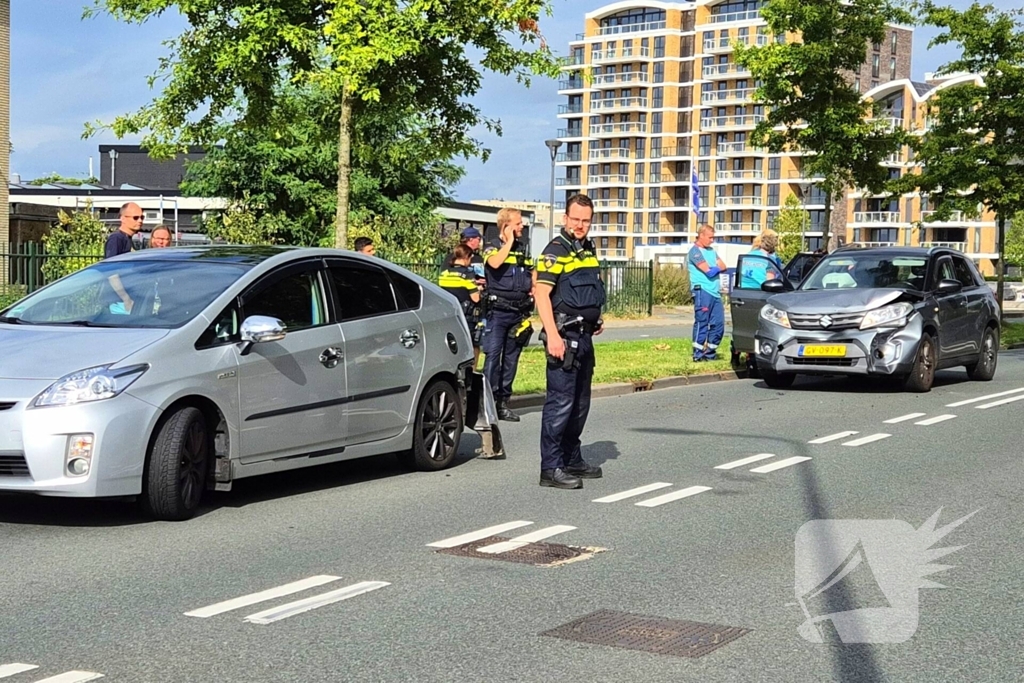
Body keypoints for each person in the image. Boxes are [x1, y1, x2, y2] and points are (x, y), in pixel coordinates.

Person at [534, 194, 606, 490]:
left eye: (585, 220)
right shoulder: (556, 250)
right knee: (560, 403)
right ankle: (551, 468)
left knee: (580, 403)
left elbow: (587, 289)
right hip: (563, 338)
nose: (580, 225)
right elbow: (541, 293)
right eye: (575, 219)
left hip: (584, 335)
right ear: (565, 218)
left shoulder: (587, 249)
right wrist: (552, 335)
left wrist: (595, 318)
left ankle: (571, 458)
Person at [482, 208, 534, 422]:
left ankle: (503, 403)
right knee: (493, 358)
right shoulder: (491, 246)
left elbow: (532, 273)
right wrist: (509, 242)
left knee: (511, 360)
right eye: (518, 223)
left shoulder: (522, 249)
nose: (522, 226)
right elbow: (494, 263)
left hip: (518, 313)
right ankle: (486, 404)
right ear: (506, 226)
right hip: (497, 313)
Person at [439, 244, 484, 365]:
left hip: (448, 314)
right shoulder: (468, 275)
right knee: (472, 345)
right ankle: (471, 370)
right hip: (466, 316)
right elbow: (475, 298)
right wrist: (479, 289)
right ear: (466, 257)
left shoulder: (444, 273)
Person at [688, 224, 728, 362]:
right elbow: (709, 272)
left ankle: (710, 353)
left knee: (719, 324)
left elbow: (724, 266)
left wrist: (715, 268)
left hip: (715, 293)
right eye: (710, 237)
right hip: (702, 291)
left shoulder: (711, 251)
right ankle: (698, 354)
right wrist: (716, 268)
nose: (712, 240)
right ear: (701, 235)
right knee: (702, 321)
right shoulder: (695, 252)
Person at [105, 202, 144, 314]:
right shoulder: (116, 239)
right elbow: (111, 272)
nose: (140, 221)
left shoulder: (129, 239)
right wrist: (126, 298)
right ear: (123, 218)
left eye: (142, 217)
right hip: (119, 302)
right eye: (135, 217)